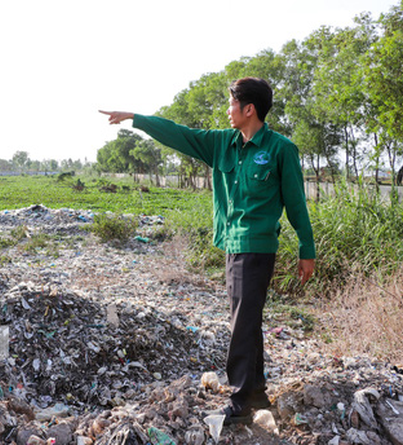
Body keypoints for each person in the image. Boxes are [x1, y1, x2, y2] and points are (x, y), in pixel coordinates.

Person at [100, 77, 316, 425]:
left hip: (257, 246)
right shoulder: (221, 144)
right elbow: (179, 133)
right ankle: (256, 391)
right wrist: (136, 119)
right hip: (232, 245)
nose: (227, 111)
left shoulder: (280, 149)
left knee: (241, 324)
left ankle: (241, 399)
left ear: (249, 109)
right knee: (246, 320)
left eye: (232, 104)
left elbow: (296, 203)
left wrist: (307, 249)